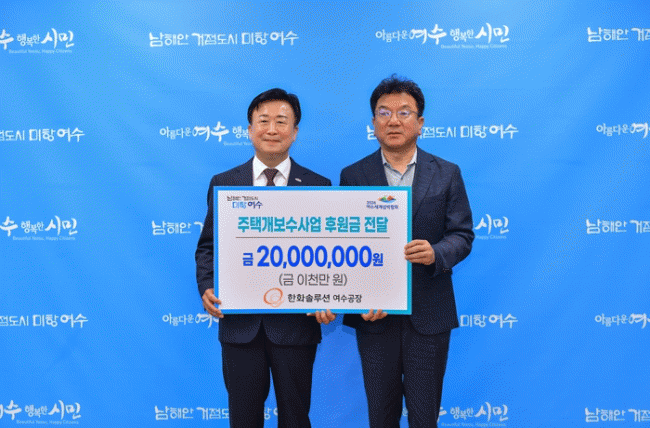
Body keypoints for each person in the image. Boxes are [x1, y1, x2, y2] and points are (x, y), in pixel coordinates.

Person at [195, 88, 335, 428]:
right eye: (263, 121)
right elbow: (208, 247)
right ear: (249, 129)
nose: (272, 129)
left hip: (296, 328)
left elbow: (329, 256)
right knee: (243, 420)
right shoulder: (225, 184)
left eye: (281, 121)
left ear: (295, 131)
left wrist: (328, 295)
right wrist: (208, 286)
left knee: (295, 418)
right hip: (240, 327)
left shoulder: (318, 186)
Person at [340, 75, 474, 428]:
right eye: (384, 112)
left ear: (420, 122)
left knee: (424, 417)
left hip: (428, 315)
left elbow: (462, 234)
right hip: (375, 316)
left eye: (404, 112)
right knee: (380, 417)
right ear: (373, 123)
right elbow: (346, 246)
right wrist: (358, 296)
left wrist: (436, 253)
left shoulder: (446, 173)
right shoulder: (353, 175)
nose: (394, 120)